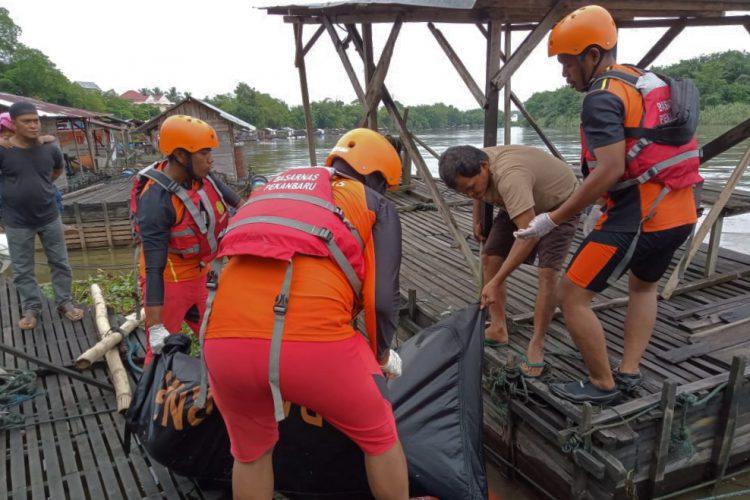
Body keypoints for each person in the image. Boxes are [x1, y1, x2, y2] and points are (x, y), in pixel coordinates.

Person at [202, 128, 408, 499]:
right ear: (378, 177)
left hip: (222, 340)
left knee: (250, 454)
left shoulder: (270, 190)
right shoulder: (373, 201)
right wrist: (380, 355)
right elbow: (381, 300)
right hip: (314, 345)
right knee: (380, 436)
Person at [516, 5, 702, 403]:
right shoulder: (640, 79)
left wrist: (554, 218)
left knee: (572, 295)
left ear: (593, 55)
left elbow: (609, 170)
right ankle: (629, 372)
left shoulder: (601, 98)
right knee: (643, 287)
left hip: (637, 217)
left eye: (568, 64)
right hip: (680, 211)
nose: (564, 74)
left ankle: (603, 384)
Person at [439, 144, 579, 376]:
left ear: (485, 167)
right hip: (522, 200)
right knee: (489, 257)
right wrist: (476, 217)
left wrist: (494, 283)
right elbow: (475, 189)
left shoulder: (509, 177)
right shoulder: (479, 165)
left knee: (547, 273)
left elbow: (529, 235)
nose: (472, 194)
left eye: (473, 188)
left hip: (560, 204)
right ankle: (498, 328)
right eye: (465, 192)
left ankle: (537, 343)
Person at [130, 115, 240, 363]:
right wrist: (156, 324)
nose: (210, 158)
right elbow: (154, 267)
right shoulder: (156, 201)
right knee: (161, 351)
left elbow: (239, 204)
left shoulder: (204, 175)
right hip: (170, 279)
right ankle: (154, 392)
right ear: (180, 156)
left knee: (218, 333)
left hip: (202, 271)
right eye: (203, 153)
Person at [0, 102, 83, 329]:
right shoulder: (4, 151)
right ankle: (31, 308)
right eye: (26, 121)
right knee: (22, 268)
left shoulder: (50, 148)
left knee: (60, 263)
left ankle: (64, 302)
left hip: (49, 216)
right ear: (13, 124)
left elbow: (56, 170)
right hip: (16, 221)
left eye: (35, 120)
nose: (33, 125)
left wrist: (41, 186)